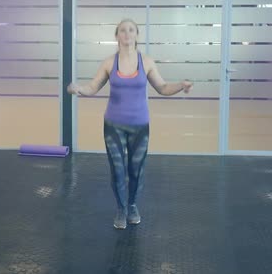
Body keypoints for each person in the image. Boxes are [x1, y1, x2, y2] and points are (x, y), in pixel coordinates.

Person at [67, 19, 193, 229]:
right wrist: (78, 89)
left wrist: (181, 85)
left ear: (136, 35)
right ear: (117, 36)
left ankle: (132, 205)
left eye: (131, 30)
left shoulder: (147, 62)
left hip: (140, 126)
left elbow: (162, 87)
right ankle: (121, 209)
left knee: (136, 170)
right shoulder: (109, 63)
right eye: (123, 31)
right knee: (117, 170)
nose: (127, 34)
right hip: (113, 126)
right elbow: (92, 87)